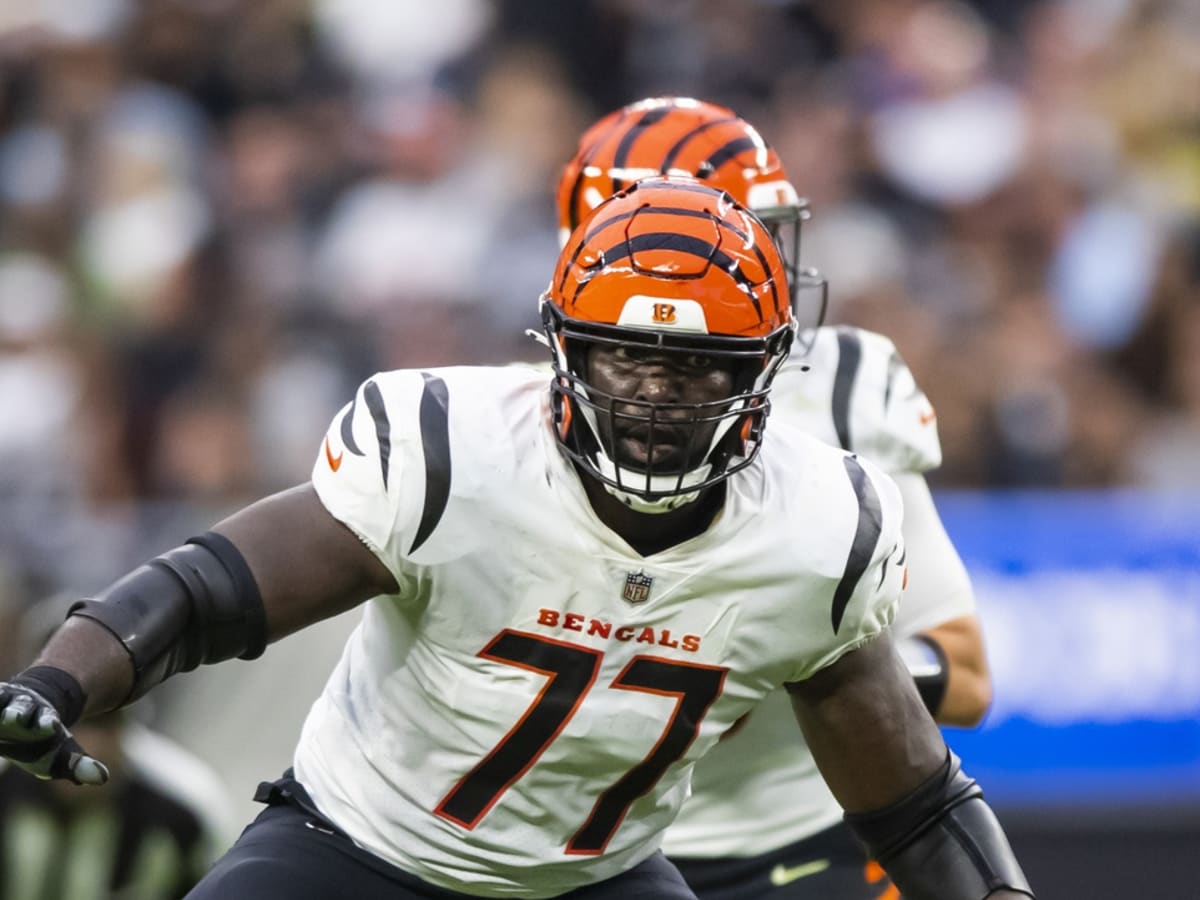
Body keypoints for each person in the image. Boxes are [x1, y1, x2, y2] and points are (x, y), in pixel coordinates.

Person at [0, 178, 1031, 900]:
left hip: (592, 879)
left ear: (762, 375)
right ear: (565, 354)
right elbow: (218, 590)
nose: (658, 398)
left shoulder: (816, 530)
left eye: (697, 368)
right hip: (358, 849)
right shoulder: (455, 454)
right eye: (627, 360)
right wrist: (61, 680)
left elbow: (913, 800)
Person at [557, 97, 991, 899]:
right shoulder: (514, 429)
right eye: (737, 238)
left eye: (768, 235)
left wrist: (803, 662)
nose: (771, 270)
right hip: (579, 855)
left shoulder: (844, 391)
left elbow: (964, 674)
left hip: (797, 836)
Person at [0, 595, 233, 900]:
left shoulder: (182, 808)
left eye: (102, 721)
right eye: (64, 722)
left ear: (131, 712)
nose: (83, 743)